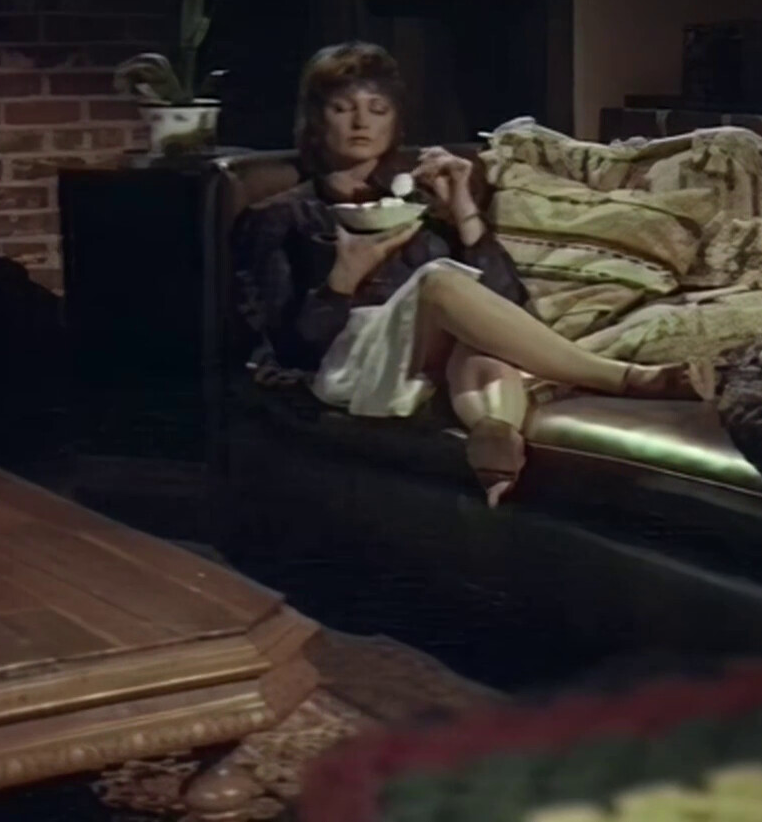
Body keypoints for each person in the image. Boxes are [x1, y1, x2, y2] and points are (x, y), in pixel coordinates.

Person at [232, 42, 712, 506]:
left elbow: (507, 303)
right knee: (439, 282)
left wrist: (463, 210)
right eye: (342, 109)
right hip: (348, 368)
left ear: (395, 120)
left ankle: (495, 440)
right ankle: (624, 378)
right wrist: (342, 278)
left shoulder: (418, 204)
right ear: (316, 121)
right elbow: (289, 350)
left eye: (377, 109)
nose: (361, 123)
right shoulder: (282, 215)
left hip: (425, 365)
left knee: (481, 346)